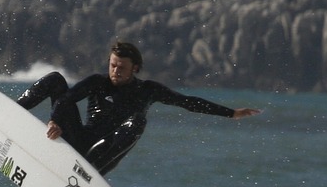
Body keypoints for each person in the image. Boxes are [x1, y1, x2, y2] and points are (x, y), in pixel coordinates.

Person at [16, 40, 260, 174]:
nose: (115, 71)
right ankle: (10, 112)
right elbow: (66, 99)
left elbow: (188, 102)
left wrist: (231, 113)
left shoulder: (148, 91)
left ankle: (88, 173)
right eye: (113, 65)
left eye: (121, 67)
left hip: (101, 156)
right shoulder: (97, 83)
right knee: (55, 79)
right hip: (79, 140)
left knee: (138, 120)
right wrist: (55, 121)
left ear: (135, 68)